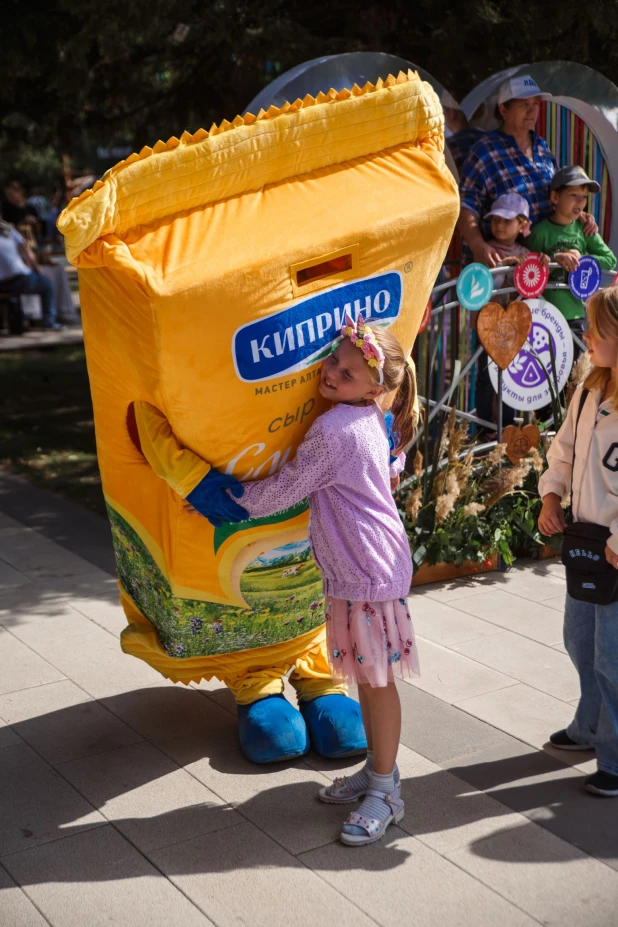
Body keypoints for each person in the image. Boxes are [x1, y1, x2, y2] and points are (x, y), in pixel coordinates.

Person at [190, 315, 420, 844]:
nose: (333, 373)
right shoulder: (367, 417)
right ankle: (375, 773)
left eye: (349, 371)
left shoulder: (333, 428)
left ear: (375, 388)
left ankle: (387, 791)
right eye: (334, 361)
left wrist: (225, 499)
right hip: (361, 567)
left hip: (366, 572)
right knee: (367, 677)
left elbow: (287, 488)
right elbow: (390, 468)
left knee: (378, 683)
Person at [538, 285, 618, 797]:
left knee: (612, 657)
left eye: (594, 328)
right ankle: (590, 727)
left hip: (615, 548)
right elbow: (563, 449)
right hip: (587, 545)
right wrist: (551, 495)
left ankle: (613, 757)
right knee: (579, 639)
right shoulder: (589, 390)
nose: (585, 335)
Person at [459, 75, 597, 268]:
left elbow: (559, 195)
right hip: (501, 266)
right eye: (524, 105)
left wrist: (579, 214)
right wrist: (477, 245)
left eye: (535, 104)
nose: (532, 111)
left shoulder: (541, 147)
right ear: (503, 110)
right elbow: (466, 206)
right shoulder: (485, 151)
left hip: (542, 264)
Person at [527, 165, 616, 353]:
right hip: (542, 316)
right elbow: (527, 264)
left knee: (575, 374)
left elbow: (610, 260)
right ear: (555, 197)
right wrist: (554, 258)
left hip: (576, 315)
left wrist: (582, 259)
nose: (580, 202)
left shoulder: (585, 230)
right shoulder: (540, 232)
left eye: (584, 197)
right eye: (574, 195)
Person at [0, 221, 62, 329]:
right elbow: (27, 253)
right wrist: (38, 270)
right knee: (47, 284)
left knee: (13, 297)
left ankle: (23, 319)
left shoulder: (10, 232)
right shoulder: (10, 232)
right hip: (18, 278)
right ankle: (49, 321)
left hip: (4, 283)